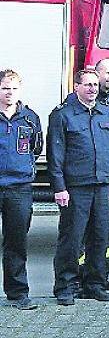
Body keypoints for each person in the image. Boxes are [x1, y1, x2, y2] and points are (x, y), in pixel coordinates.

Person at [48, 69, 109, 305]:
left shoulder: (108, 114)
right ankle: (66, 287)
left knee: (100, 238)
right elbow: (55, 155)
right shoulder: (63, 115)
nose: (92, 89)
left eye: (95, 84)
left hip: (102, 186)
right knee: (72, 239)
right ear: (76, 87)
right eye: (87, 84)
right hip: (75, 188)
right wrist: (59, 187)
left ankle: (95, 284)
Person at [0, 70, 42, 309]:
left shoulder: (29, 118)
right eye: (6, 88)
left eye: (14, 89)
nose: (10, 93)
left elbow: (36, 148)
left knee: (17, 243)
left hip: (19, 189)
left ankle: (17, 293)